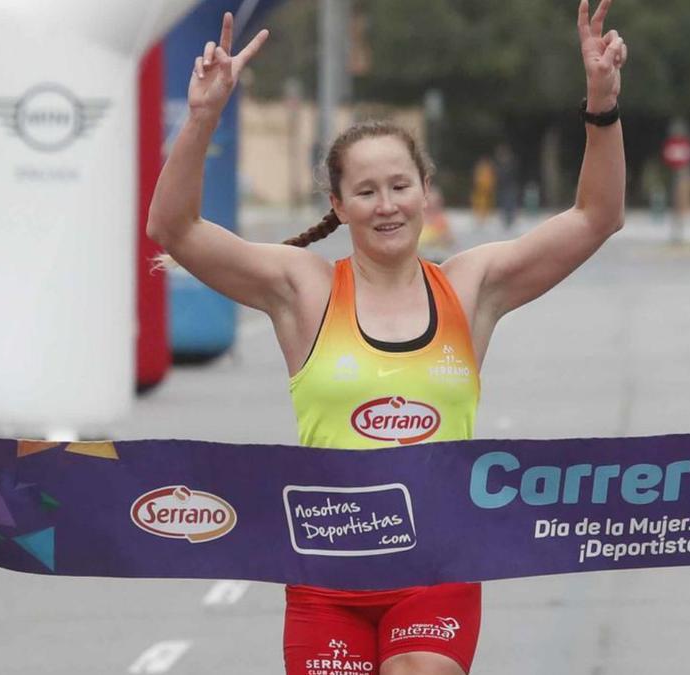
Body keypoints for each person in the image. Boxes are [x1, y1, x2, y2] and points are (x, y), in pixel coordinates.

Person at [145, 2, 626, 673]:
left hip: (439, 563)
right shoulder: (303, 289)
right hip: (328, 574)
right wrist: (201, 116)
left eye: (400, 185)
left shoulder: (471, 287)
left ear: (427, 192)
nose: (387, 204)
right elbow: (175, 229)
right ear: (338, 207)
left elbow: (598, 215)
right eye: (365, 191)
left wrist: (601, 106)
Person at [469, 157, 495, 227]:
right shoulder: (480, 169)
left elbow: (491, 180)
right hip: (480, 190)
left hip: (485, 190)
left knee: (485, 204)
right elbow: (476, 179)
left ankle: (483, 219)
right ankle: (479, 219)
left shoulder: (487, 169)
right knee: (478, 203)